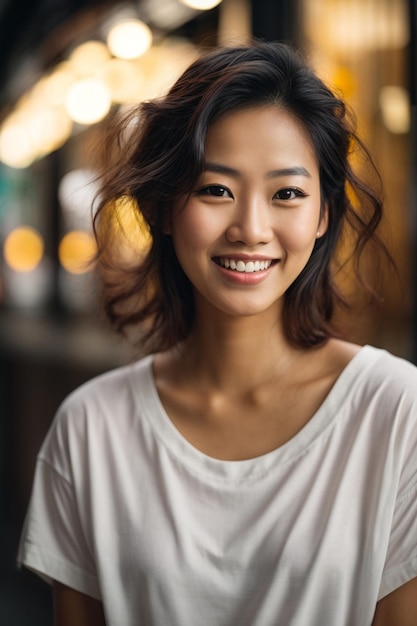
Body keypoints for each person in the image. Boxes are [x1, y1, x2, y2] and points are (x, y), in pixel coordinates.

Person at [18, 41, 417, 626]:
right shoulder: (91, 430)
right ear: (163, 207)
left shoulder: (396, 411)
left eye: (287, 194)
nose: (252, 229)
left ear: (323, 214)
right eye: (216, 190)